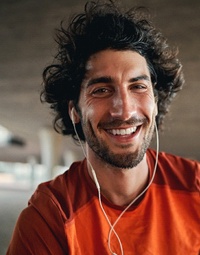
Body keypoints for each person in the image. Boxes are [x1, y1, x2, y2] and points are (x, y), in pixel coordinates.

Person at [7, 0, 200, 254]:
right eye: (101, 90)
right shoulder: (50, 217)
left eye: (138, 86)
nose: (125, 110)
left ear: (156, 102)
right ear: (74, 111)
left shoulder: (194, 186)